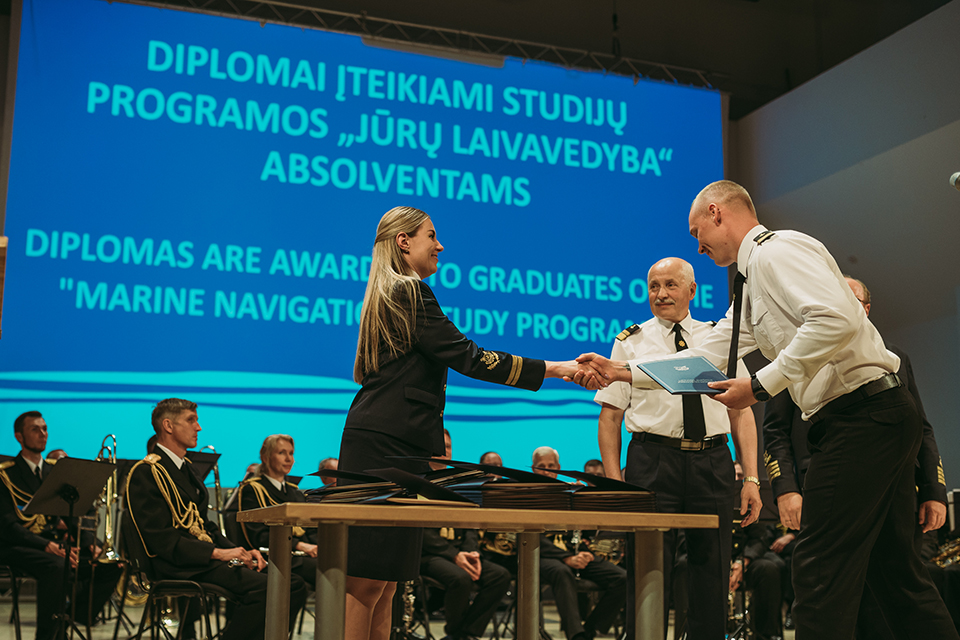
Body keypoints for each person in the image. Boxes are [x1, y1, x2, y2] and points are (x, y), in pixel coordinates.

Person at [573, 180, 957, 640]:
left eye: (698, 232)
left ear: (717, 213)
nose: (698, 246)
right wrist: (620, 371)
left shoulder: (777, 251)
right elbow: (706, 355)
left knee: (817, 568)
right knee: (895, 573)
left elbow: (835, 319)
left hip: (861, 418)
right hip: (874, 416)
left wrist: (759, 385)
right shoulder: (752, 282)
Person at [339, 205, 577, 640]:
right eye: (431, 235)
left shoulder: (394, 292)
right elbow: (469, 357)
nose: (440, 245)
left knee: (386, 584)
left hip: (396, 446)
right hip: (383, 447)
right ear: (404, 241)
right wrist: (556, 368)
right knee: (366, 582)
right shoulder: (409, 291)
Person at [763, 275, 948, 639]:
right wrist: (786, 488)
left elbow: (922, 428)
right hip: (830, 475)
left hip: (893, 477)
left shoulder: (893, 357)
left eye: (849, 300)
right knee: (831, 577)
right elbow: (775, 430)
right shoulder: (797, 353)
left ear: (866, 309)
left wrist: (933, 489)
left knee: (898, 578)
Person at [593, 257, 760, 640]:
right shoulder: (631, 341)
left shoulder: (719, 337)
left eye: (670, 284)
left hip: (713, 462)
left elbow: (741, 413)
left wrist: (751, 477)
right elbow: (610, 418)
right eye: (654, 286)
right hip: (651, 462)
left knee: (712, 574)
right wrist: (616, 486)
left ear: (692, 290)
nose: (661, 293)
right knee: (646, 572)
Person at [126, 398, 306, 640]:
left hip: (199, 558)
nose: (198, 427)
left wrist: (239, 551)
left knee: (294, 585)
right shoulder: (147, 472)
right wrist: (218, 553)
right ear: (168, 425)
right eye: (191, 420)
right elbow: (161, 540)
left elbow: (205, 525)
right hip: (176, 564)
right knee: (269, 588)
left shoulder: (187, 468)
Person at [0, 411, 122, 640]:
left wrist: (89, 543)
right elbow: (7, 526)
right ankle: (47, 636)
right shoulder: (6, 474)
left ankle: (66, 619)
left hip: (53, 543)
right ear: (19, 437)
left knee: (110, 565)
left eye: (45, 428)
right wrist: (47, 545)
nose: (43, 434)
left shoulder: (53, 470)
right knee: (57, 566)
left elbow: (74, 512)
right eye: (35, 429)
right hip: (16, 545)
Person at [419, 429, 510, 640]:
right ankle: (456, 634)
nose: (444, 452)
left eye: (447, 447)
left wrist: (471, 552)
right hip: (429, 554)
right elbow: (420, 530)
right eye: (439, 447)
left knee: (500, 576)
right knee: (460, 579)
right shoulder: (417, 481)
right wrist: (454, 555)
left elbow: (469, 523)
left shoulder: (460, 482)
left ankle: (466, 634)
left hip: (460, 551)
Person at [237, 434, 318, 588]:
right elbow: (259, 536)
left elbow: (309, 530)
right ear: (265, 457)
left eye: (291, 453)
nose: (289, 459)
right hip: (276, 556)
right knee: (327, 570)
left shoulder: (295, 493)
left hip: (302, 556)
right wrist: (300, 545)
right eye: (281, 453)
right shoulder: (253, 489)